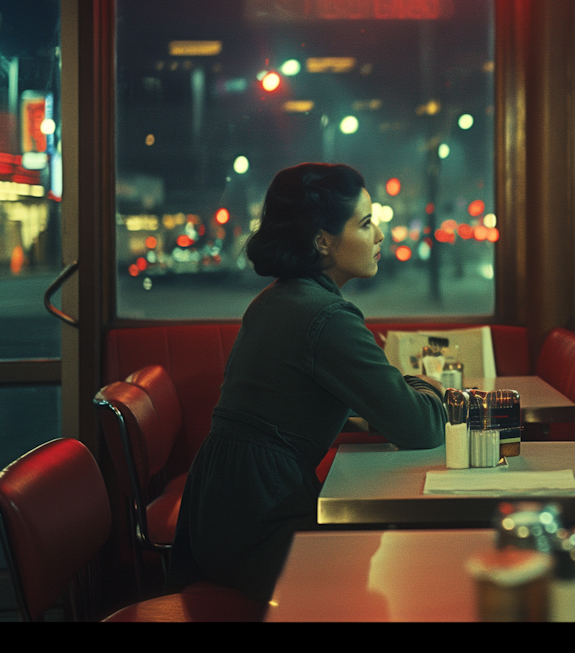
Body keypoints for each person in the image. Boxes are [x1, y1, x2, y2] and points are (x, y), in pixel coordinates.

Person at [168, 163, 446, 603]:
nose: (379, 236)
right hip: (261, 520)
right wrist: (431, 385)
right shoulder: (326, 317)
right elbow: (421, 427)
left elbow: (287, 413)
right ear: (322, 241)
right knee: (405, 573)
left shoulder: (277, 298)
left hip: (218, 510)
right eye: (366, 223)